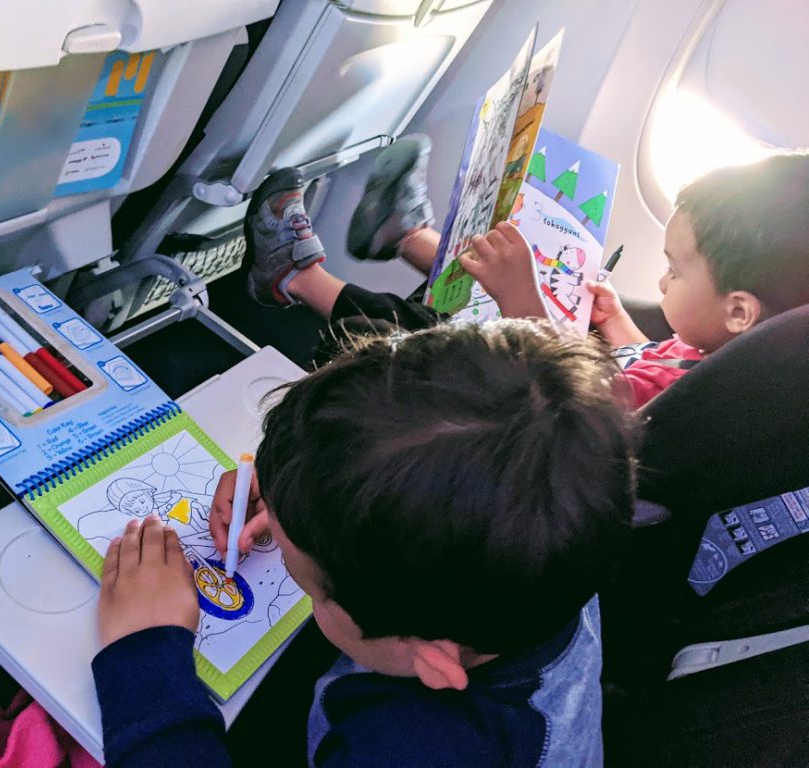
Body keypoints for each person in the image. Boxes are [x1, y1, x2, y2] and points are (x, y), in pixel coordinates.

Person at [91, 319, 636, 767]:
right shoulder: (546, 541)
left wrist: (147, 656)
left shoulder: (409, 750)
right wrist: (299, 491)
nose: (283, 560)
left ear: (433, 662)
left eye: (306, 581)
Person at [244, 138, 809, 406]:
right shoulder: (709, 350)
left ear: (739, 311)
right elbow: (646, 359)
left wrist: (526, 304)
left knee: (423, 333)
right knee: (522, 272)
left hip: (541, 402)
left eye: (675, 271)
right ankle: (407, 235)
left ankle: (292, 277)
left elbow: (590, 404)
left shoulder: (703, 397)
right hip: (577, 360)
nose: (662, 282)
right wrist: (615, 324)